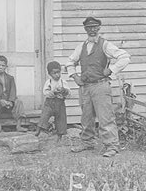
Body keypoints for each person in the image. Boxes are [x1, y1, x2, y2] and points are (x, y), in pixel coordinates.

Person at [67, 16, 130, 157]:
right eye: (89, 28)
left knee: (105, 117)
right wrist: (75, 76)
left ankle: (112, 146)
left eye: (95, 27)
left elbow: (125, 57)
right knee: (86, 117)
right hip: (85, 87)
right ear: (85, 29)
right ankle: (87, 143)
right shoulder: (81, 47)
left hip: (101, 86)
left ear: (99, 28)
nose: (92, 30)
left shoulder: (105, 45)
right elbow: (70, 62)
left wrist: (111, 70)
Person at [0, 55, 25, 133]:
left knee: (19, 102)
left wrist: (11, 101)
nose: (0, 67)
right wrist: (0, 100)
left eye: (3, 65)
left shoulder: (10, 78)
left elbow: (13, 91)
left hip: (9, 103)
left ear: (6, 67)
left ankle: (19, 126)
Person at [35, 61, 71, 141]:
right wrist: (52, 92)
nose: (57, 75)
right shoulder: (49, 82)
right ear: (50, 74)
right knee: (45, 115)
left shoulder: (63, 82)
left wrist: (64, 90)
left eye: (58, 72)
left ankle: (60, 133)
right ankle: (39, 128)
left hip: (60, 103)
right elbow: (45, 92)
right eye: (54, 73)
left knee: (61, 117)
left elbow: (69, 93)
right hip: (50, 102)